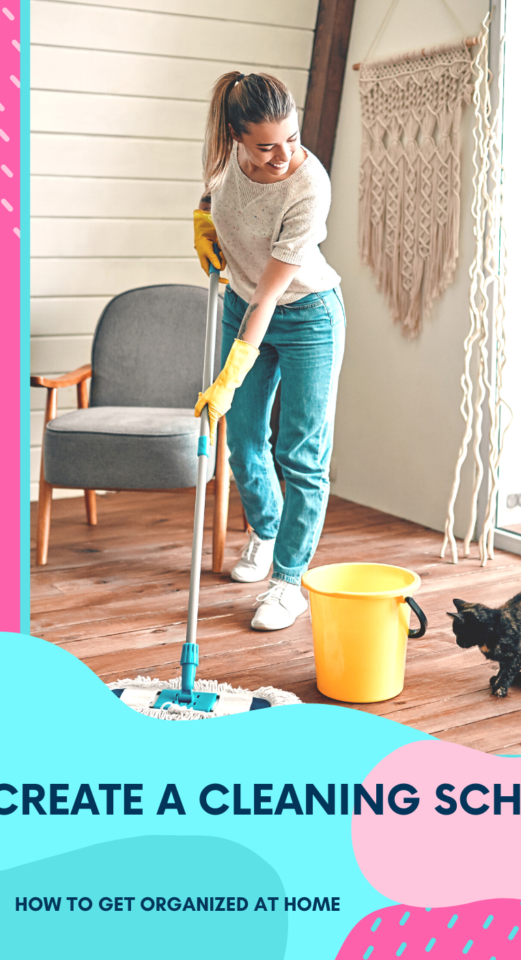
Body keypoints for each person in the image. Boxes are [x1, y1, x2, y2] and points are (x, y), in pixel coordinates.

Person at [193, 72, 345, 632]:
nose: (284, 154)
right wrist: (202, 222)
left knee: (301, 454)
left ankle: (288, 580)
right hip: (241, 303)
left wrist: (230, 373)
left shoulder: (309, 186)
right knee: (246, 442)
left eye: (293, 138)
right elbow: (214, 197)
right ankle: (266, 528)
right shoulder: (222, 157)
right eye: (266, 145)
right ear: (237, 137)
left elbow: (270, 295)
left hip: (306, 315)